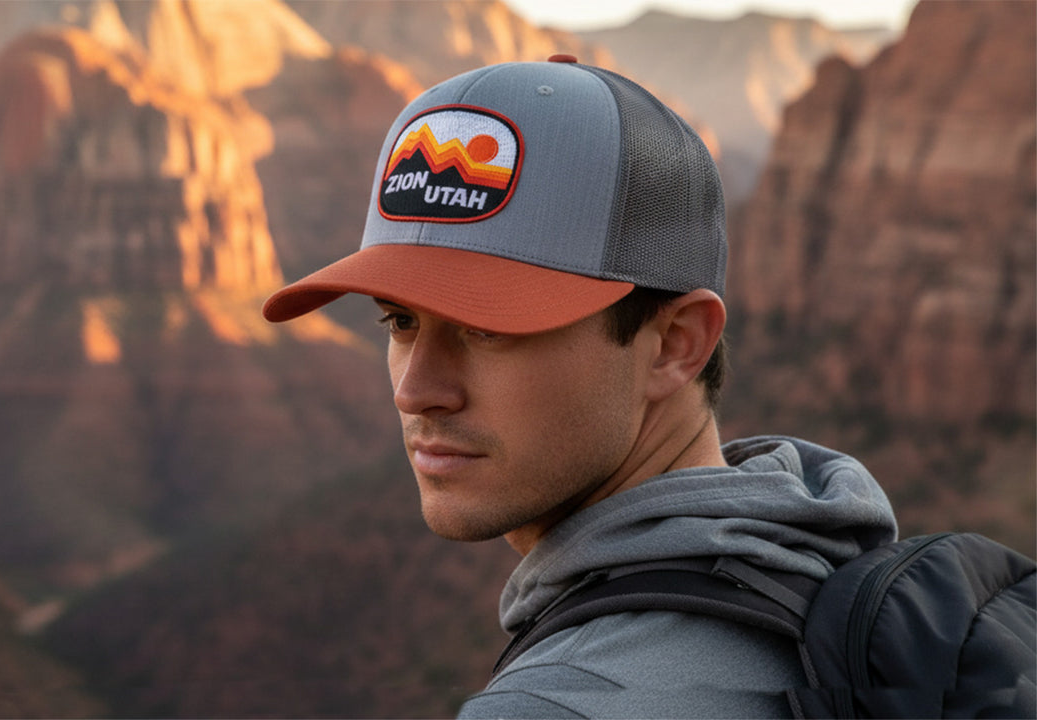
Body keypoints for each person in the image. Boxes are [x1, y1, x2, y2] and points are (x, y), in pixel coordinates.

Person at [262, 56, 898, 718]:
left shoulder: (558, 707)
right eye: (399, 321)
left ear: (676, 345)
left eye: (486, 331)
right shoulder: (822, 581)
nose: (415, 390)